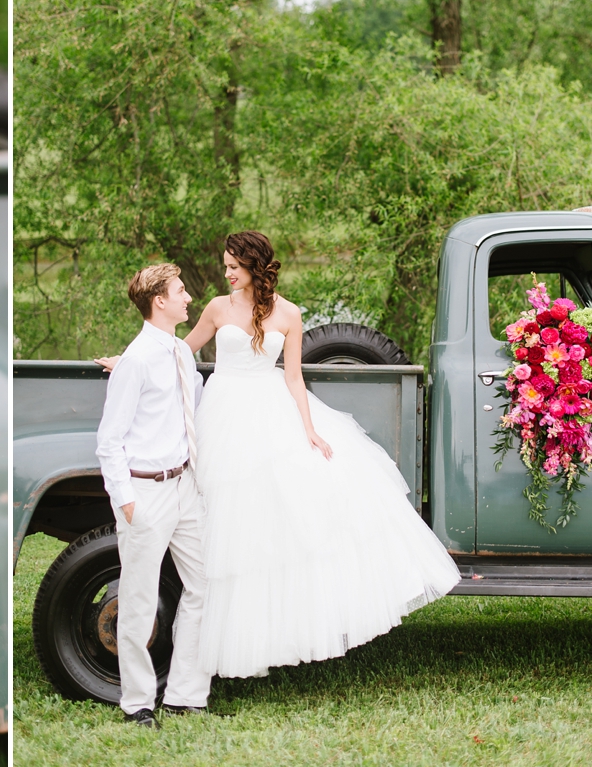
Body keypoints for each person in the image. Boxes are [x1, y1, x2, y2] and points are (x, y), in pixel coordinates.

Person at [181, 230, 460, 679]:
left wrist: (308, 428)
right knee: (229, 517)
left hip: (270, 406)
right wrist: (132, 358)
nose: (227, 272)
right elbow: (185, 349)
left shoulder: (289, 313)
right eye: (226, 266)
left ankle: (278, 630)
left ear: (254, 266)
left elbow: (293, 377)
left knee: (288, 511)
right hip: (225, 411)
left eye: (234, 265)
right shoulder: (217, 307)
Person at [94, 264, 212, 729]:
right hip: (145, 493)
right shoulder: (139, 359)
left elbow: (194, 407)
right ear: (159, 301)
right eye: (181, 292)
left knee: (204, 584)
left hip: (185, 487)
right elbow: (109, 440)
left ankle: (185, 694)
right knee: (139, 600)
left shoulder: (181, 352)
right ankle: (138, 703)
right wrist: (127, 502)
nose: (188, 298)